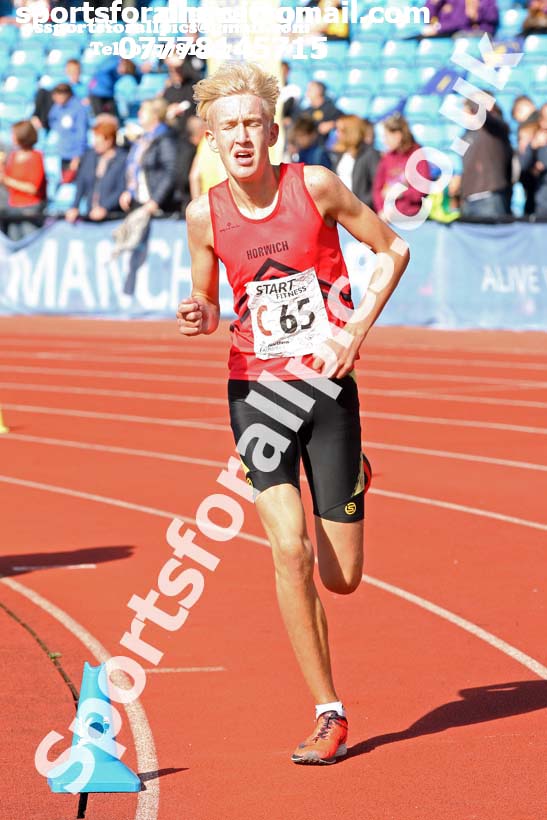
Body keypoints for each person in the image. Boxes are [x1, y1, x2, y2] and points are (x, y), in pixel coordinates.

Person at [176, 62, 409, 765]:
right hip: (255, 390)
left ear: (271, 131)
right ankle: (328, 711)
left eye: (253, 123)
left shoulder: (315, 187)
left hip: (327, 390)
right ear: (212, 140)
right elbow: (210, 300)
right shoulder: (202, 214)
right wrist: (200, 312)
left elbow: (391, 249)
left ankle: (351, 473)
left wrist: (353, 331)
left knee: (342, 579)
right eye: (229, 127)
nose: (242, 136)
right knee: (288, 548)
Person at [119, 98, 178, 216]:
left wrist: (156, 200)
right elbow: (134, 168)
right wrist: (129, 192)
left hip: (159, 208)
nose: (139, 113)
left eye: (143, 110)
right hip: (139, 202)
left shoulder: (165, 138)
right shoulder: (142, 140)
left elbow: (171, 172)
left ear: (155, 114)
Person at [65, 115, 127, 223]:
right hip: (91, 213)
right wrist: (74, 206)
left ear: (109, 140)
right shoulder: (90, 156)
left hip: (112, 216)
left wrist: (105, 207)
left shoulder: (122, 159)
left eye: (99, 141)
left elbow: (121, 189)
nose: (95, 144)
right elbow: (81, 182)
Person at [458, 100, 513, 219]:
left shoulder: (496, 130)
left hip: (490, 198)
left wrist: (470, 99)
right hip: (467, 200)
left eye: (466, 111)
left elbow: (486, 116)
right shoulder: (464, 135)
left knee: (494, 237)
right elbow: (463, 166)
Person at [372, 113, 430, 218]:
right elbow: (377, 189)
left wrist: (401, 193)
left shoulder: (417, 156)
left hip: (411, 219)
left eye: (386, 136)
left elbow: (421, 190)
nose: (384, 141)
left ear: (398, 136)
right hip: (387, 218)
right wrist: (381, 210)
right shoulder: (387, 157)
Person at [0, 119, 46, 240]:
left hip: (29, 209)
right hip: (13, 207)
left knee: (29, 241)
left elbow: (32, 188)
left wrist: (6, 180)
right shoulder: (13, 156)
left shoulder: (36, 157)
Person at [333, 115, 380, 210]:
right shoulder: (340, 154)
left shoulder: (370, 154)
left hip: (361, 211)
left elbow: (377, 186)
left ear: (350, 132)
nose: (336, 134)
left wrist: (359, 206)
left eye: (340, 130)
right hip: (342, 210)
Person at [48, 82, 89, 182]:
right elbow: (52, 119)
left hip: (74, 154)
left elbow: (81, 134)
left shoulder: (78, 109)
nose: (55, 99)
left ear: (66, 94)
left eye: (58, 96)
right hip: (63, 153)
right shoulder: (57, 107)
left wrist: (77, 156)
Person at [519, 103, 547, 217]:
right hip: (539, 203)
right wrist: (533, 146)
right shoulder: (535, 137)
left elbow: (544, 163)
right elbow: (524, 166)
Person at [423, 0, 499, 36]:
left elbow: (460, 21)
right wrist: (433, 3)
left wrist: (438, 27)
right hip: (447, 34)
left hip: (474, 35)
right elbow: (426, 17)